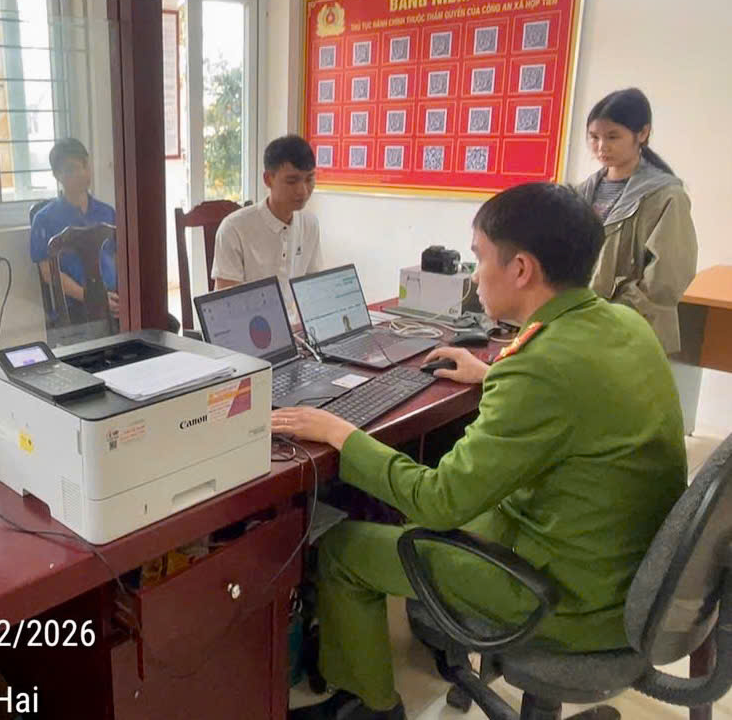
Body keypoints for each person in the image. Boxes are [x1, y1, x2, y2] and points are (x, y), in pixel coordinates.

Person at [273, 183, 686, 720]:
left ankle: (372, 706)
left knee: (342, 548)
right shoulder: (623, 323)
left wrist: (338, 432)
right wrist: (492, 375)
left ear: (521, 269)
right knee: (423, 501)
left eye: (480, 258)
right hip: (630, 579)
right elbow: (576, 401)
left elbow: (439, 502)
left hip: (567, 603)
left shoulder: (539, 366)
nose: (473, 277)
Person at [579, 88, 697, 353]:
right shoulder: (582, 192)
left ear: (642, 133)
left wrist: (612, 315)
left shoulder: (666, 196)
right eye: (594, 137)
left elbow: (667, 277)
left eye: (612, 136)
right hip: (581, 325)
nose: (601, 147)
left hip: (631, 332)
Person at [212, 134, 323, 318]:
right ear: (268, 179)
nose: (303, 191)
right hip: (246, 327)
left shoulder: (310, 224)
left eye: (309, 179)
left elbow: (313, 290)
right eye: (292, 181)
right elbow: (226, 307)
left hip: (293, 329)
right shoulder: (233, 229)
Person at [29, 138, 118, 322]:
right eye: (71, 169)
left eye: (84, 165)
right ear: (57, 175)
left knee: (164, 323)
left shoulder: (107, 212)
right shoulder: (44, 219)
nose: (82, 173)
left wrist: (126, 296)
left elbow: (121, 257)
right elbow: (48, 273)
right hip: (75, 308)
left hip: (115, 298)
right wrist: (93, 299)